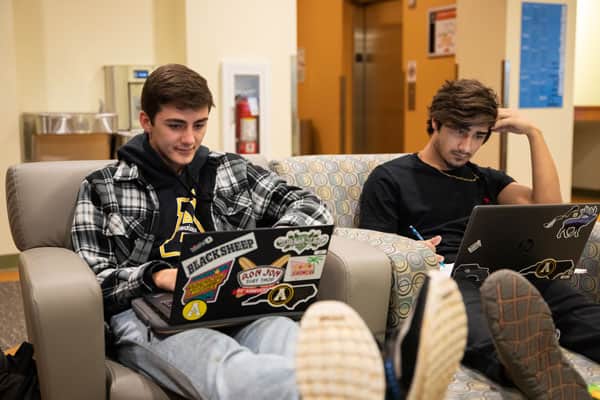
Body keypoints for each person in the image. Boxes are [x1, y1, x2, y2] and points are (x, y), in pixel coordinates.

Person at [71, 64, 467, 400]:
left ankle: (369, 382)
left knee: (297, 352)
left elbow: (310, 207)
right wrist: (157, 275)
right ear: (146, 121)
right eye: (175, 126)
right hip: (152, 313)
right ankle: (385, 383)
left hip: (235, 300)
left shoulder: (229, 170)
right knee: (232, 369)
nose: (189, 139)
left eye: (199, 125)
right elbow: (93, 278)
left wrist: (272, 249)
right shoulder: (104, 186)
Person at [359, 78, 600, 399]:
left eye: (478, 136)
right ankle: (533, 371)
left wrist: (534, 134)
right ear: (435, 123)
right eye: (459, 131)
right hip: (447, 278)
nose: (467, 146)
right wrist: (412, 250)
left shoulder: (484, 178)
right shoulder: (390, 177)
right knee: (474, 316)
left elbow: (550, 211)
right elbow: (374, 247)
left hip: (506, 275)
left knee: (576, 309)